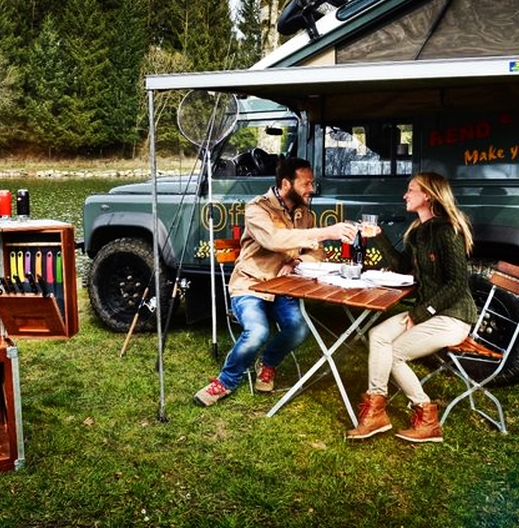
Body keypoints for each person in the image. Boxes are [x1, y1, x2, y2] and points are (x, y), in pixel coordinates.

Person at [194, 157, 358, 407]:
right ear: (285, 183)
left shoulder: (304, 213)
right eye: (306, 183)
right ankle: (226, 381)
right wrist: (327, 231)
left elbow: (318, 252)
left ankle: (267, 363)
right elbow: (274, 239)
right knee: (258, 332)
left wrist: (297, 262)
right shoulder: (257, 208)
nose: (311, 189)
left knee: (298, 329)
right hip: (250, 284)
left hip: (284, 287)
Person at [344, 172, 477, 443]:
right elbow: (400, 266)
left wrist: (420, 314)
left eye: (411, 190)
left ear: (427, 195)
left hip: (452, 316)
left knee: (394, 354)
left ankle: (427, 417)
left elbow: (456, 285)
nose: (405, 195)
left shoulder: (445, 230)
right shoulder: (419, 230)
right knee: (378, 335)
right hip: (430, 311)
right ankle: (375, 412)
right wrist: (379, 237)